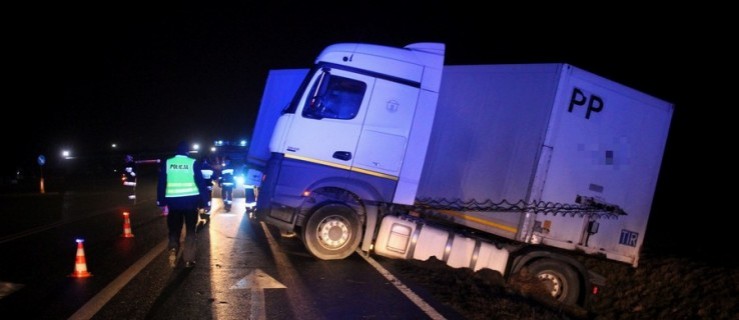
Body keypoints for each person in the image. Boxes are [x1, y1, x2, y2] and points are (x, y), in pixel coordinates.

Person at [157, 141, 211, 268]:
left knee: (174, 228)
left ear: (177, 151)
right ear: (187, 151)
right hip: (191, 202)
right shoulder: (192, 163)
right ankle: (188, 259)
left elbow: (161, 183)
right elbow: (201, 184)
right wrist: (205, 202)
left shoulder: (168, 163)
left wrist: (161, 201)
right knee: (191, 230)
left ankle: (173, 248)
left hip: (173, 202)